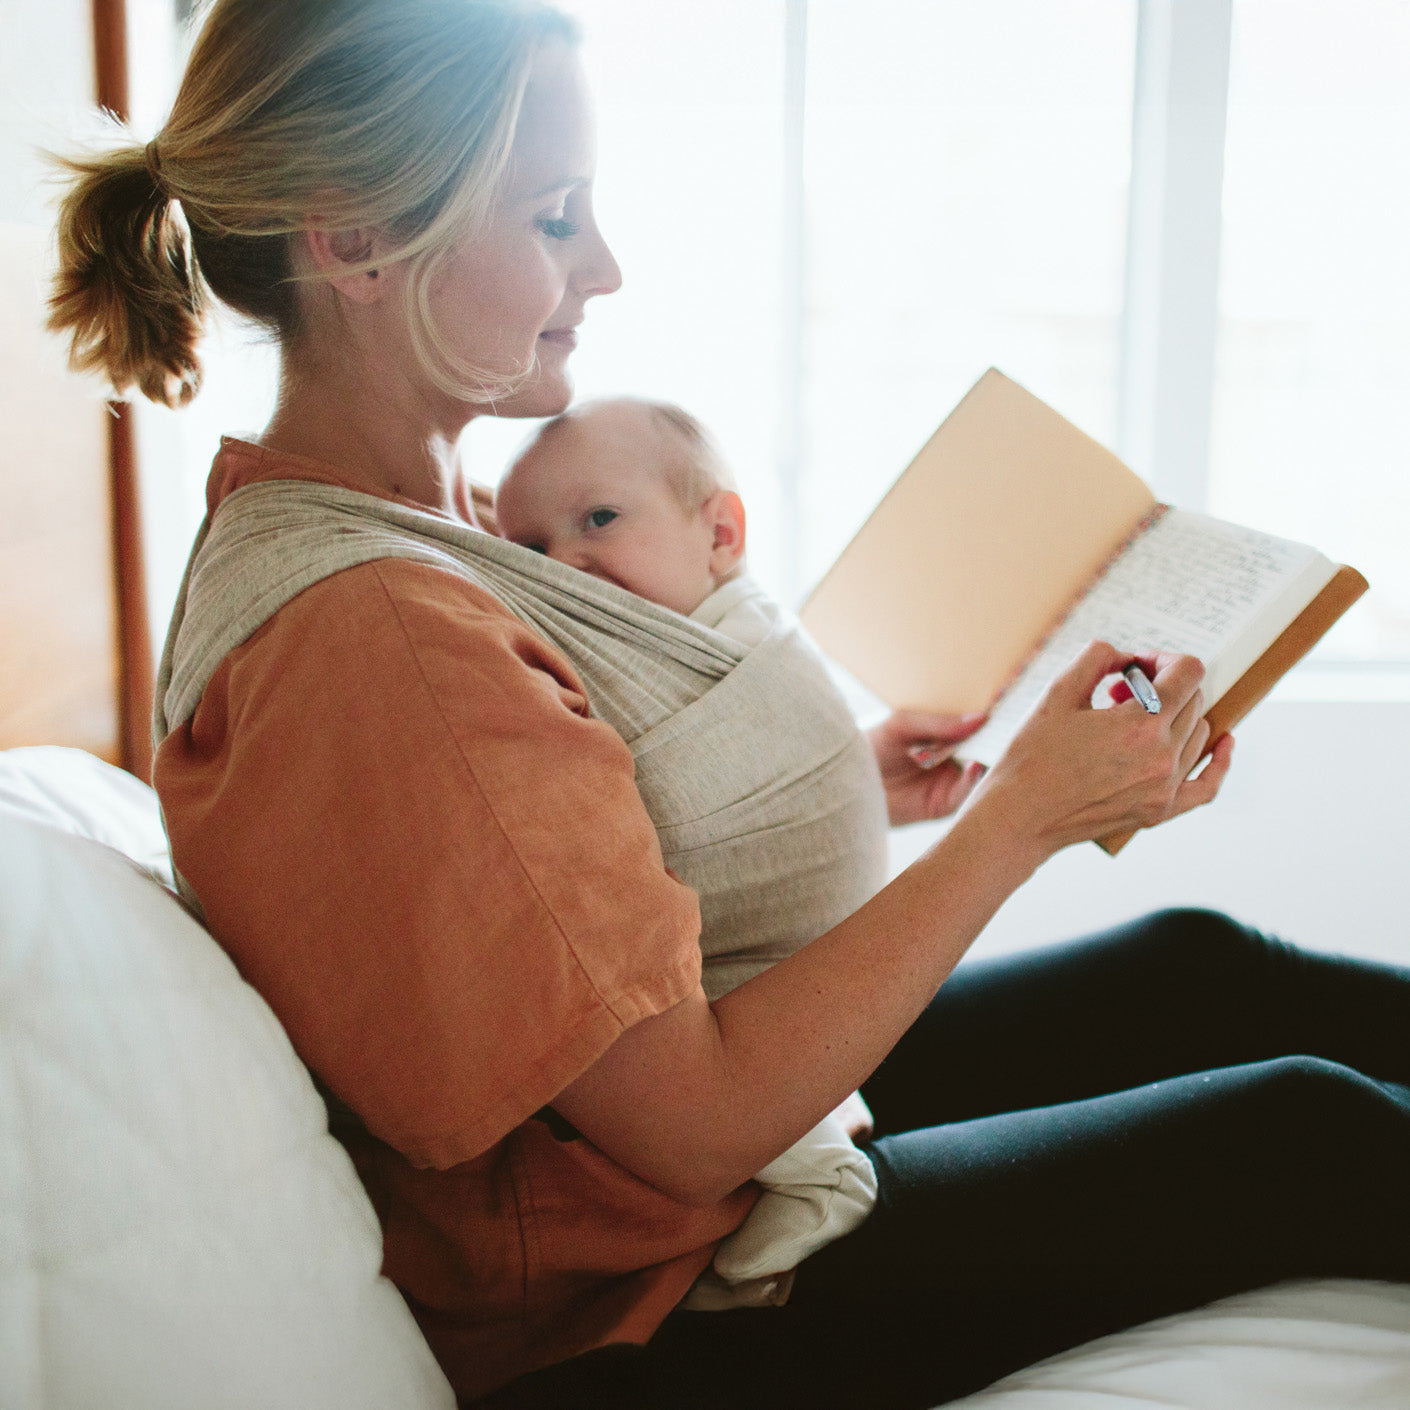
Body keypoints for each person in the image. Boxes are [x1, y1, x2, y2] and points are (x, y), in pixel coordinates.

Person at [46, 2, 1410, 1406]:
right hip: (660, 1292)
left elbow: (534, 857)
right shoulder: (382, 629)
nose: (608, 267)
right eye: (557, 216)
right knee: (1302, 1131)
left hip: (683, 1158)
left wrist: (843, 780)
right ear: (350, 239)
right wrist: (1023, 817)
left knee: (1196, 964)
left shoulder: (426, 519)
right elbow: (690, 1127)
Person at [497, 395, 948, 1301]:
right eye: (532, 552)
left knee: (1199, 949)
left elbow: (716, 774)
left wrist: (837, 775)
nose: (566, 568)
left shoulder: (734, 635)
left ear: (723, 534)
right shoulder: (598, 669)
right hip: (742, 1017)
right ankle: (823, 1170)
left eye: (599, 520)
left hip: (822, 980)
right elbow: (648, 818)